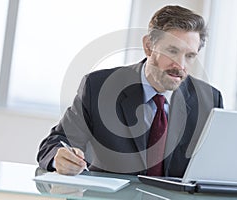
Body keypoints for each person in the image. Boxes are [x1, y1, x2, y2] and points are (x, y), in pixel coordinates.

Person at [37, 5, 223, 177]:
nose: (180, 66)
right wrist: (60, 158)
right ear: (148, 47)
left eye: (190, 56)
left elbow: (217, 165)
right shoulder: (99, 87)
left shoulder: (209, 100)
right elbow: (53, 144)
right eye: (172, 51)